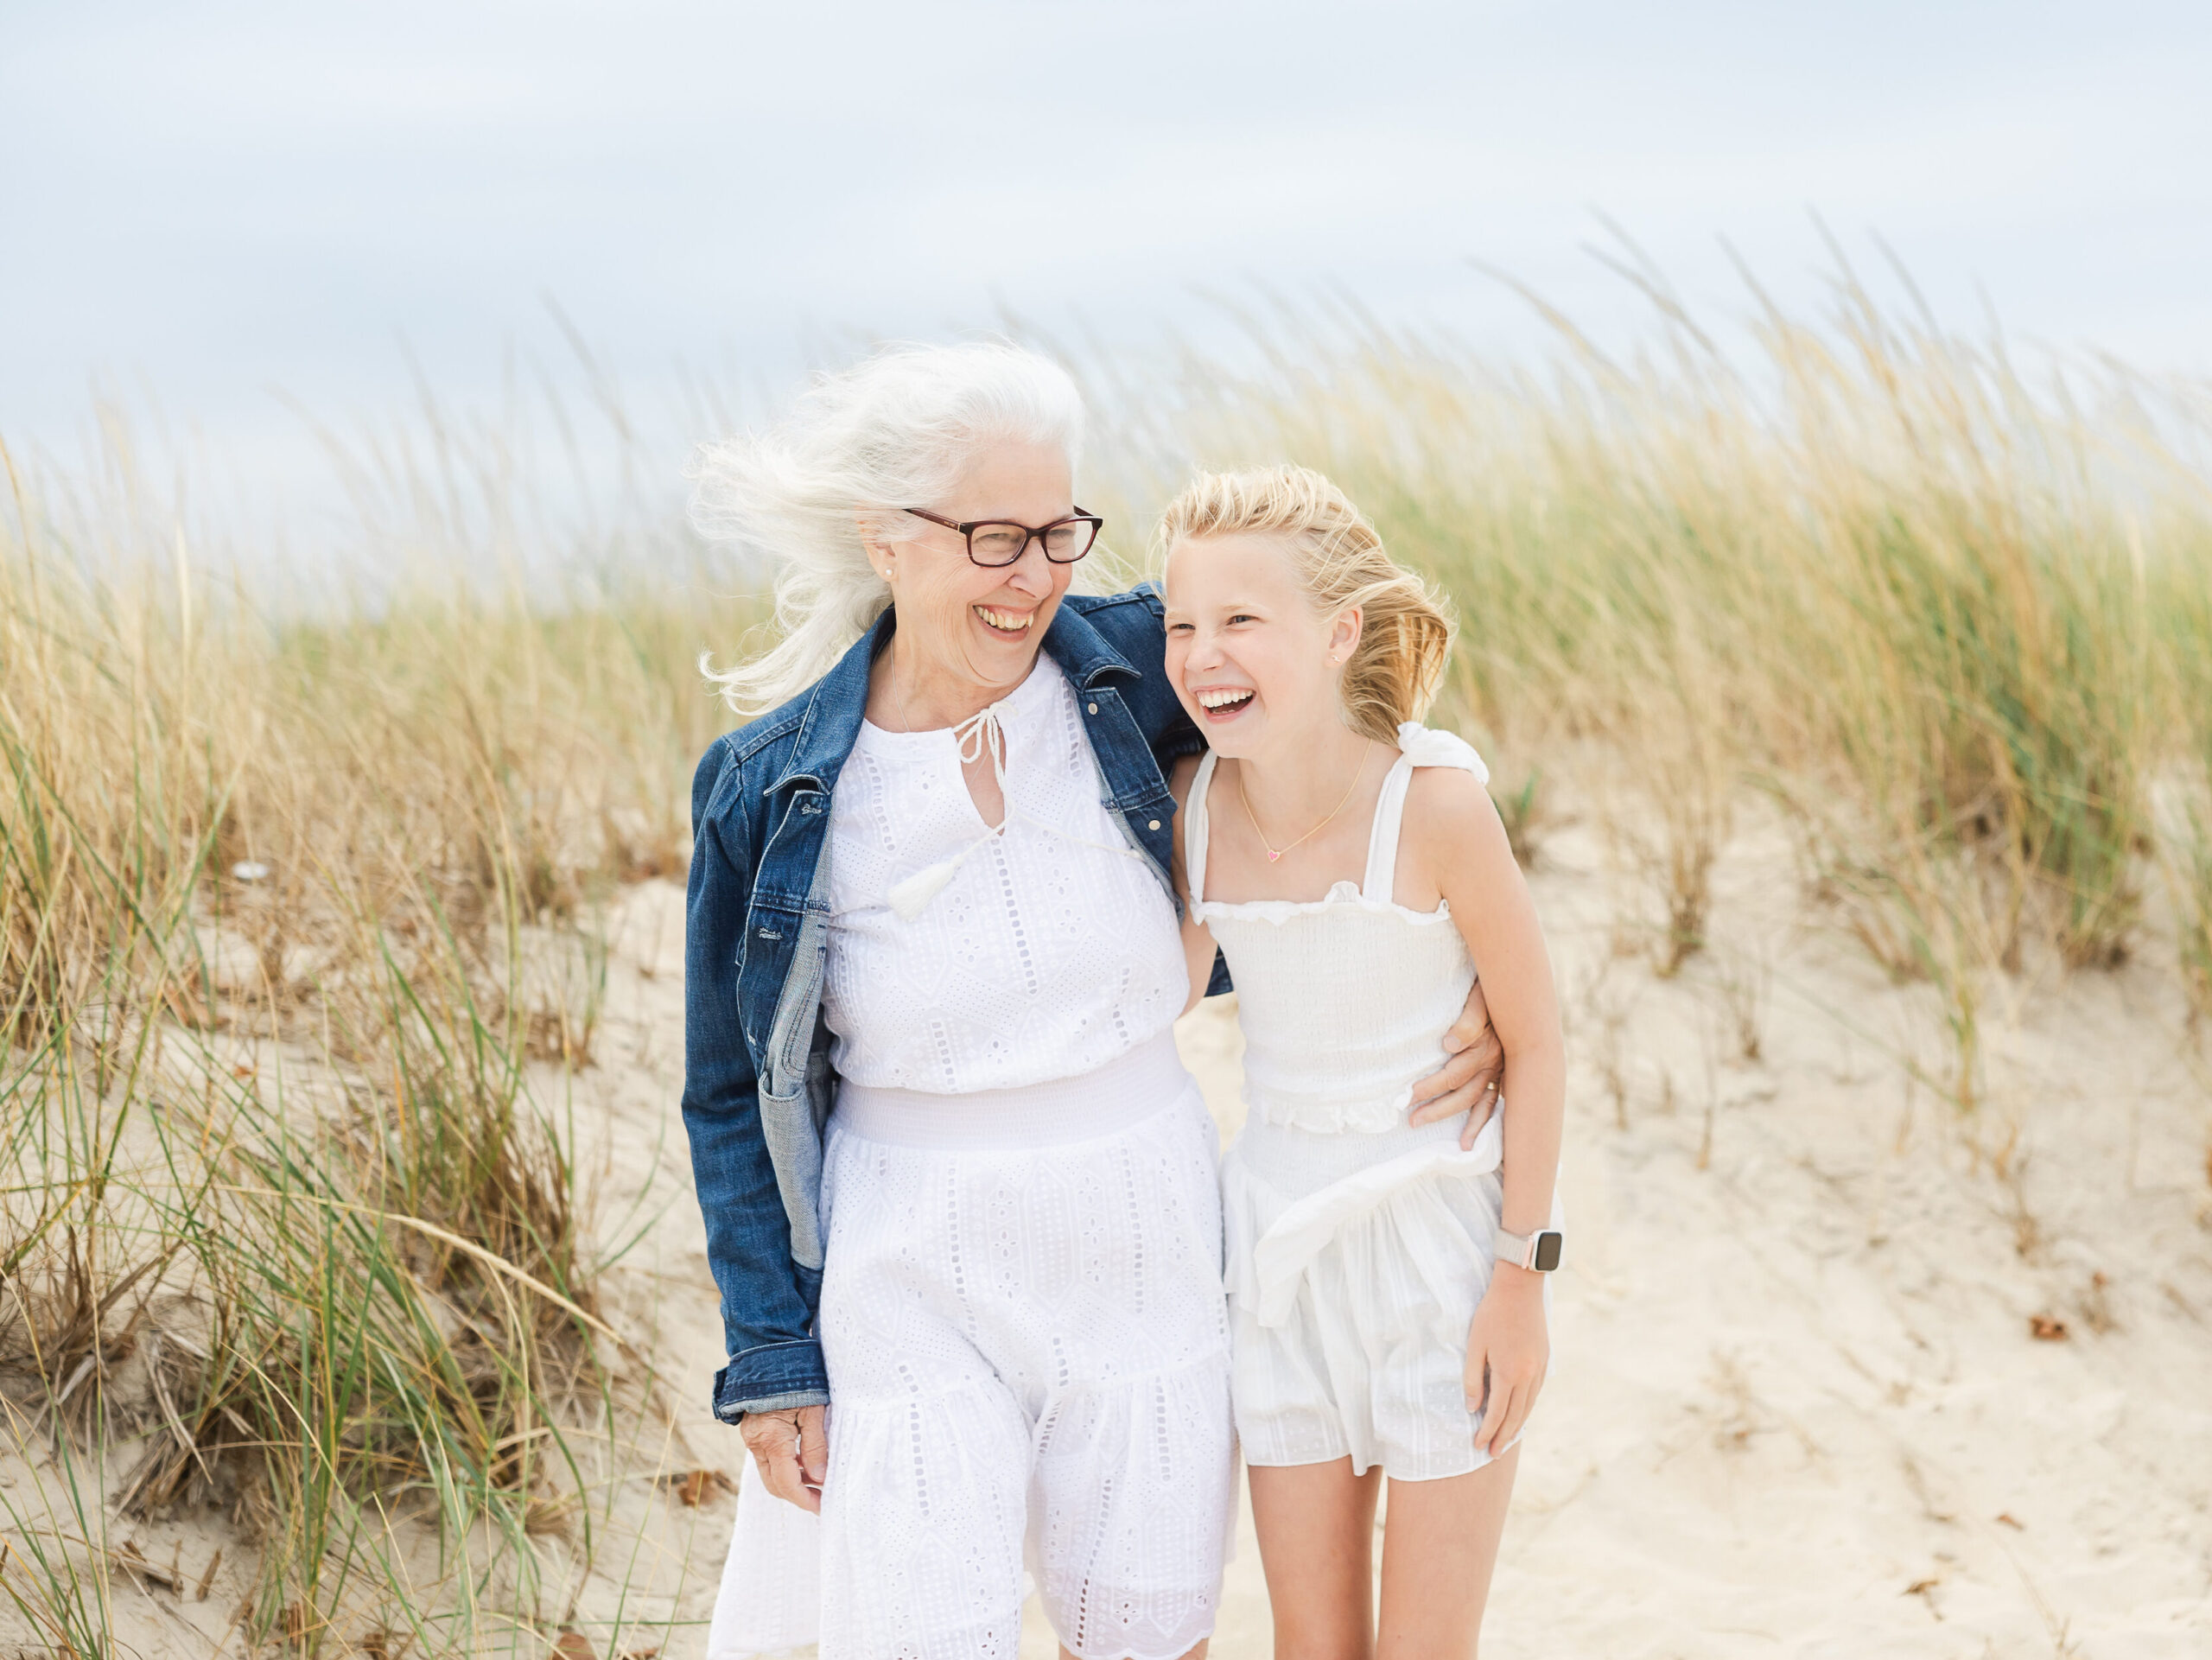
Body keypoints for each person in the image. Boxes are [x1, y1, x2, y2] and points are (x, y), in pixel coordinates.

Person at [680, 345, 1504, 1660]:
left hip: (1146, 1235)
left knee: (1145, 1634)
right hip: (911, 1256)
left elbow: (1325, 662)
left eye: (1060, 532)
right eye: (996, 538)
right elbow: (727, 1089)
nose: (1036, 580)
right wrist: (772, 1355)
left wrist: (1425, 977)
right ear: (885, 540)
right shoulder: (766, 789)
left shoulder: (1133, 660)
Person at [1159, 465, 1566, 1658]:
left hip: (1443, 1250)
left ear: (1343, 631)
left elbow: (1536, 1037)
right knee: (1312, 1644)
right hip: (1277, 1256)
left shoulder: (1433, 802)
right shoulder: (1193, 807)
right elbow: (1144, 1006)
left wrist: (1520, 1276)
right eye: (1183, 624)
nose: (1202, 653)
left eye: (1241, 619)